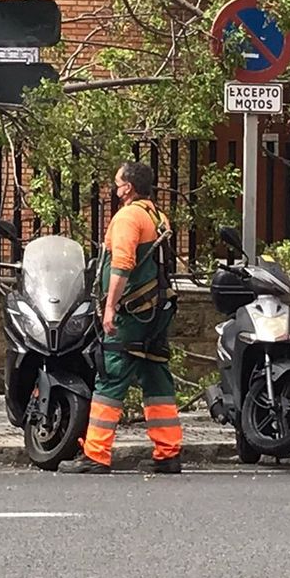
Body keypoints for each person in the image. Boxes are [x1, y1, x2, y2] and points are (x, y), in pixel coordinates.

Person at [59, 161, 182, 474]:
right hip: (157, 311)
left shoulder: (128, 216)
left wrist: (111, 306)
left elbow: (123, 265)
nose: (115, 189)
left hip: (133, 314)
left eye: (117, 183)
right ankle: (168, 452)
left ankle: (96, 454)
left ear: (128, 186)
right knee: (155, 373)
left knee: (111, 374)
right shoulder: (158, 215)